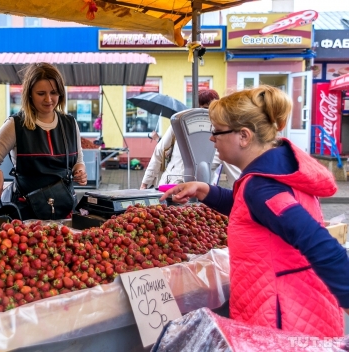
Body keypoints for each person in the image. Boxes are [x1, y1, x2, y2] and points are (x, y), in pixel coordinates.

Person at [160, 85, 349, 338]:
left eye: (217, 131)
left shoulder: (262, 188)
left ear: (244, 136)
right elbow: (251, 211)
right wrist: (205, 190)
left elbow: (321, 244)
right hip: (301, 306)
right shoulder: (278, 170)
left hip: (282, 320)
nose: (211, 138)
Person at [0, 62, 87, 220]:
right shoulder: (15, 124)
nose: (48, 99)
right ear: (29, 94)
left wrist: (80, 171)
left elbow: (78, 161)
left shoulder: (70, 123)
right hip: (26, 212)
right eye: (41, 93)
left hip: (64, 209)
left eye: (54, 92)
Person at [141, 89, 240, 189]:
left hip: (200, 195)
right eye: (198, 109)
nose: (203, 113)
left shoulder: (223, 136)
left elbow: (236, 175)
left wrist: (242, 193)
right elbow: (159, 151)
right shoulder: (180, 123)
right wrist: (145, 183)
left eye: (207, 109)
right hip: (169, 187)